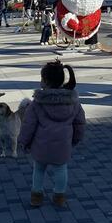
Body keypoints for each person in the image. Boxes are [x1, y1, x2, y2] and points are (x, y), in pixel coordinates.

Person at [20, 60, 85, 208]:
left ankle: (36, 196)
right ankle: (59, 196)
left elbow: (28, 125)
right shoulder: (73, 102)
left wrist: (23, 141)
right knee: (61, 170)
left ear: (46, 82)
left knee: (39, 170)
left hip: (41, 145)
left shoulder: (37, 103)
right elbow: (79, 123)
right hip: (63, 145)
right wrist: (75, 139)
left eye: (42, 78)